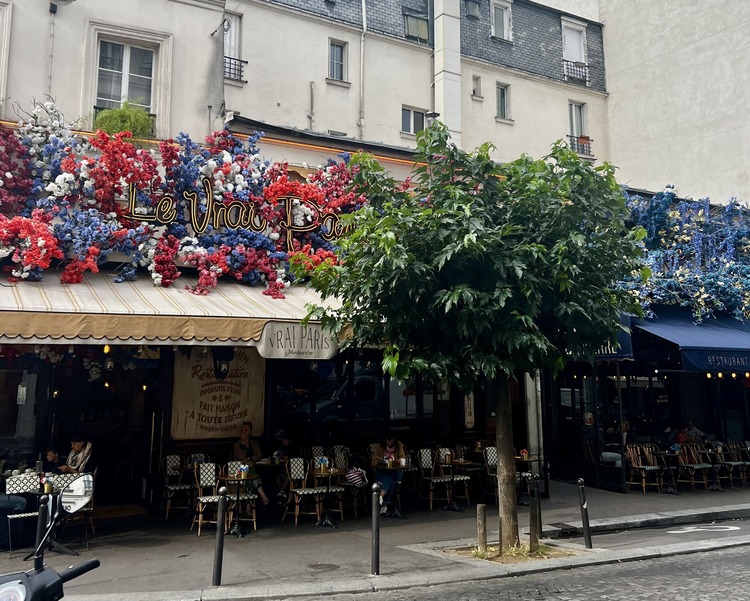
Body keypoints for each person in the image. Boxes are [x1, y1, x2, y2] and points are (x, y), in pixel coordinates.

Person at [232, 422, 270, 505]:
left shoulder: (254, 443)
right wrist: (243, 444)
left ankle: (248, 506)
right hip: (240, 470)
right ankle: (262, 495)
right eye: (242, 430)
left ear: (250, 432)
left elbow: (259, 455)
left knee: (250, 479)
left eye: (246, 430)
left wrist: (250, 458)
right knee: (251, 476)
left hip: (252, 469)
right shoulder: (237, 445)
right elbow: (241, 457)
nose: (243, 432)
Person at [371, 434, 405, 516]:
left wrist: (394, 461)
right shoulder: (379, 447)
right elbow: (373, 462)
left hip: (394, 471)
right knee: (391, 481)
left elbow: (403, 459)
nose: (390, 443)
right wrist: (381, 462)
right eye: (388, 441)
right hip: (382, 472)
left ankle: (381, 498)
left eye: (392, 441)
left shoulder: (398, 445)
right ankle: (385, 505)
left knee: (391, 475)